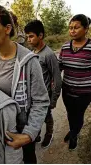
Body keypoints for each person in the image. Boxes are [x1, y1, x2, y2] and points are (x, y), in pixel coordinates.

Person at [0, 5, 49, 164]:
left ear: (7, 28)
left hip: (20, 134)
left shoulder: (29, 62)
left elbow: (41, 101)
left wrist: (27, 135)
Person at [58, 14, 91, 150]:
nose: (72, 30)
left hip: (85, 92)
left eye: (76, 27)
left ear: (86, 29)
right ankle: (74, 130)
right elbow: (60, 66)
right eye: (70, 27)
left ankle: (74, 134)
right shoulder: (65, 46)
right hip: (67, 90)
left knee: (78, 115)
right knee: (70, 113)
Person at [24, 20, 62, 148]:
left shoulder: (49, 55)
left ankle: (49, 134)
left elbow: (57, 78)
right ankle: (37, 134)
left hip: (44, 95)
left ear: (40, 36)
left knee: (46, 116)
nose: (28, 40)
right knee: (35, 116)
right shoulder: (32, 53)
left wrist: (54, 99)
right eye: (27, 37)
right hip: (33, 95)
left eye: (31, 36)